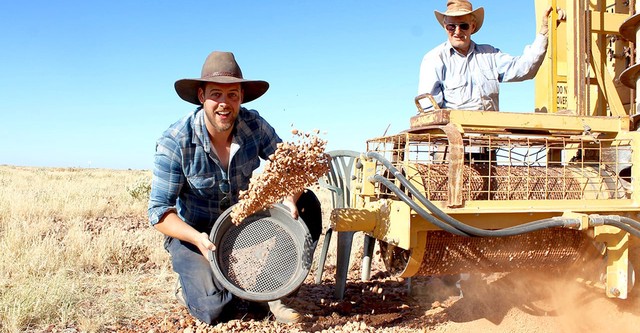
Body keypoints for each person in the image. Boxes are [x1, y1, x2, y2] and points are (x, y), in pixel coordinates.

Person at [148, 51, 322, 325]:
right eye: (216, 94)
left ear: (241, 97)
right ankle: (191, 289)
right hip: (196, 234)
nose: (224, 104)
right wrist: (197, 240)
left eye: (233, 95)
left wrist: (291, 197)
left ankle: (273, 292)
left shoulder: (254, 125)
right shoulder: (176, 141)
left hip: (241, 224)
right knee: (215, 309)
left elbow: (292, 167)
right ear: (202, 96)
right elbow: (159, 212)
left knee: (306, 204)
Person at [418, 0, 555, 111]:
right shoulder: (434, 59)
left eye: (463, 26)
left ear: (473, 26)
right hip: (454, 141)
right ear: (445, 27)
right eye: (451, 27)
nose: (457, 32)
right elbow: (429, 109)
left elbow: (524, 69)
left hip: (487, 141)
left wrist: (543, 33)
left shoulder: (489, 55)